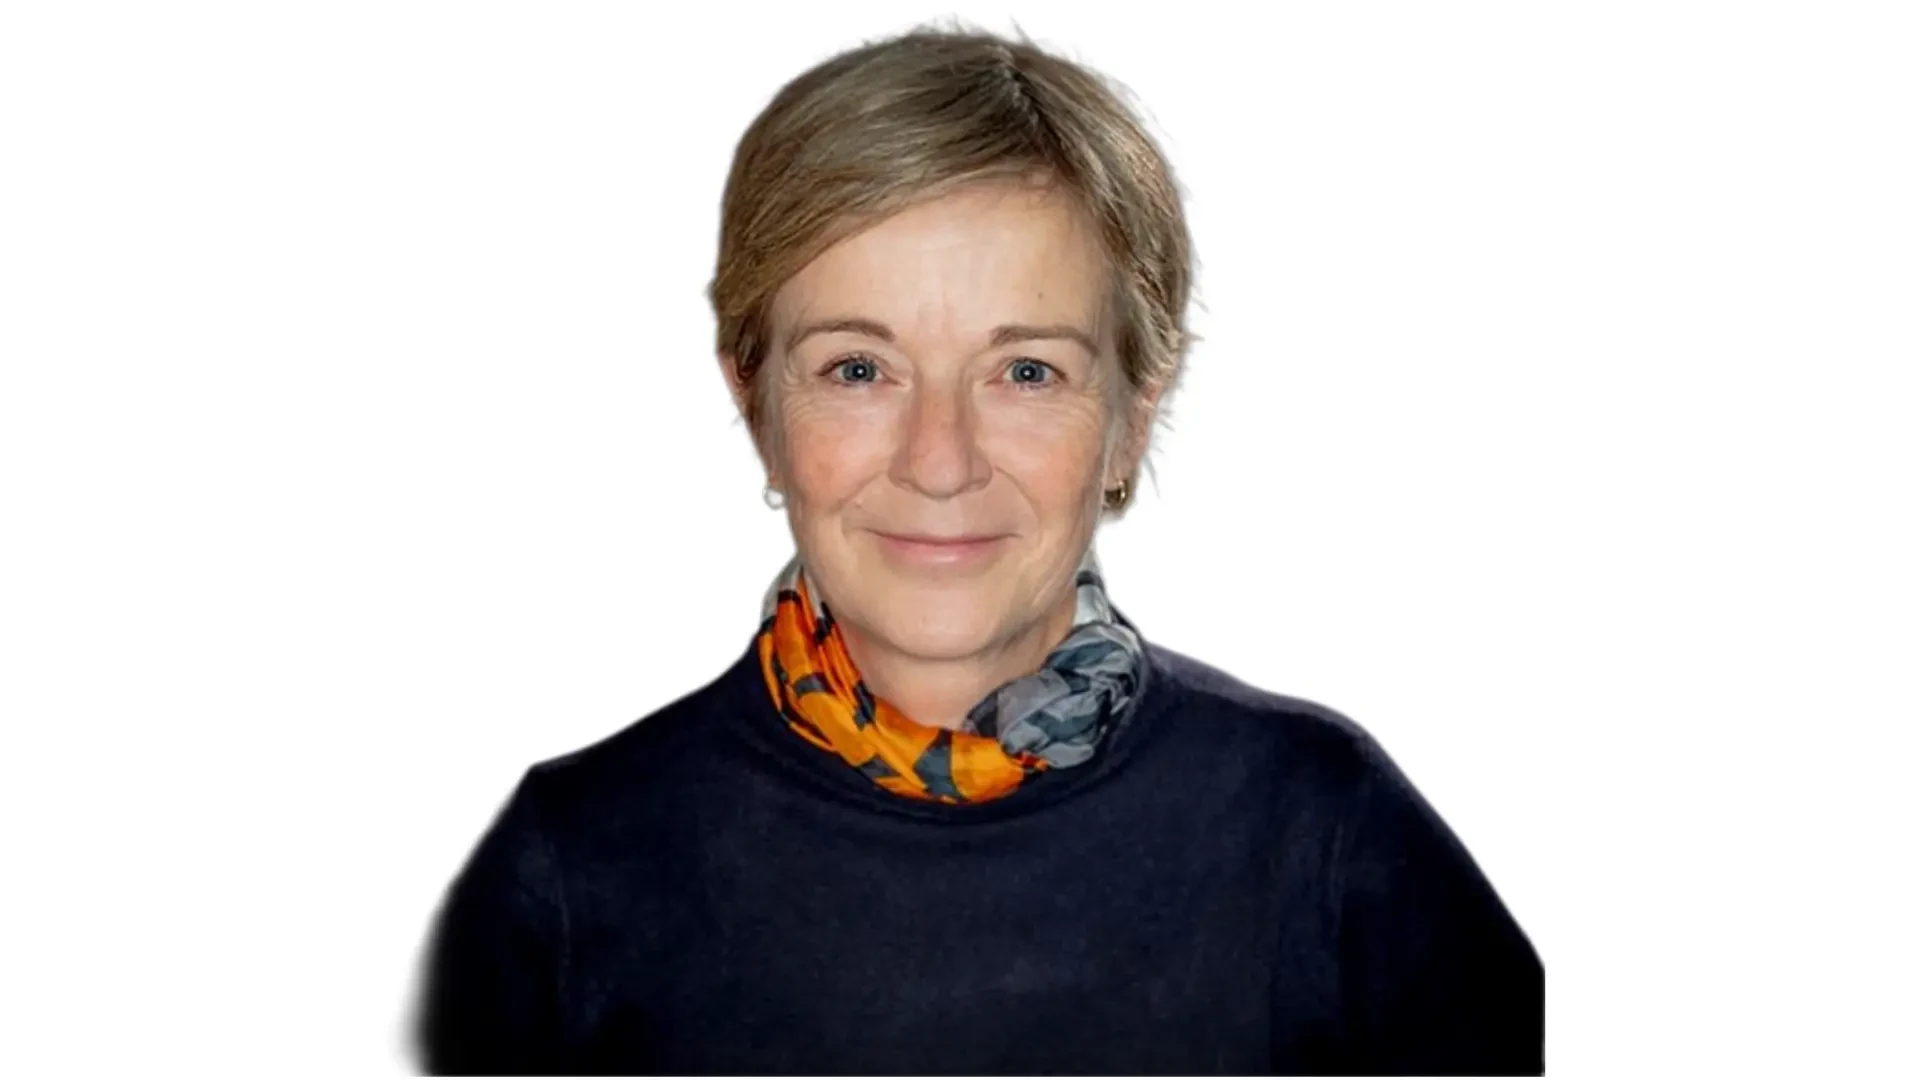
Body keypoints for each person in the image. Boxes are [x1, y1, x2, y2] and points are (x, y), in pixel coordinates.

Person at [413, 24, 1543, 1076]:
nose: (940, 461)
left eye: (1027, 372)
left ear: (1133, 417)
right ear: (757, 407)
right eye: (859, 369)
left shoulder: (1326, 834)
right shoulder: (566, 872)